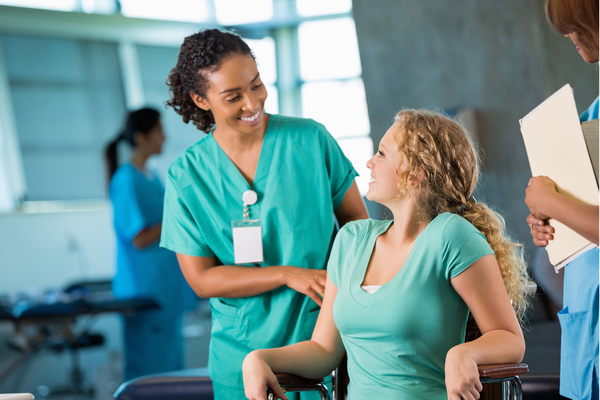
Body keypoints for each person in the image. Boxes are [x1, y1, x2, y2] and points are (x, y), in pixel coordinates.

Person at [242, 109, 530, 400]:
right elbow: (323, 351)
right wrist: (260, 358)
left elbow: (509, 339)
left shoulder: (451, 235)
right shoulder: (350, 241)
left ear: (416, 173)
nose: (369, 163)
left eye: (381, 154)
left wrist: (465, 353)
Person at [160, 29, 368, 399]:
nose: (252, 102)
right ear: (200, 99)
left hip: (323, 341)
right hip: (241, 355)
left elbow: (359, 228)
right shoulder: (185, 175)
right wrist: (287, 274)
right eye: (233, 96)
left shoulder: (310, 139)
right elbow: (202, 279)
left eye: (256, 85)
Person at [526, 1, 599, 398]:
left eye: (573, 25)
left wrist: (551, 202)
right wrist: (546, 219)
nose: (568, 36)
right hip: (587, 339)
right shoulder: (591, 118)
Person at [105, 107, 197, 381]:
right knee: (150, 375)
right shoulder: (126, 180)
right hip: (144, 292)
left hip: (164, 291)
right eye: (159, 131)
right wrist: (178, 217)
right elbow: (140, 237)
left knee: (171, 369)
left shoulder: (152, 177)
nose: (165, 138)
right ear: (143, 137)